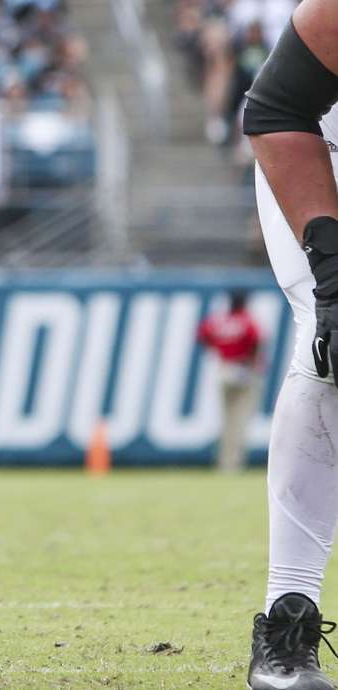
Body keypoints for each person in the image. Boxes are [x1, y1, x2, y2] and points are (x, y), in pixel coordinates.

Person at [244, 0, 338, 686]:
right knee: (330, 336)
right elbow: (276, 109)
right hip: (318, 145)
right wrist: (331, 267)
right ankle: (288, 617)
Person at [196, 289, 262, 473]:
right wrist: (253, 365)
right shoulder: (247, 320)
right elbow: (256, 342)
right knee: (240, 418)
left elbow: (202, 335)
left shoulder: (219, 320)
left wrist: (217, 352)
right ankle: (235, 462)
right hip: (244, 369)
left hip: (224, 368)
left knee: (225, 419)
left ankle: (223, 461)